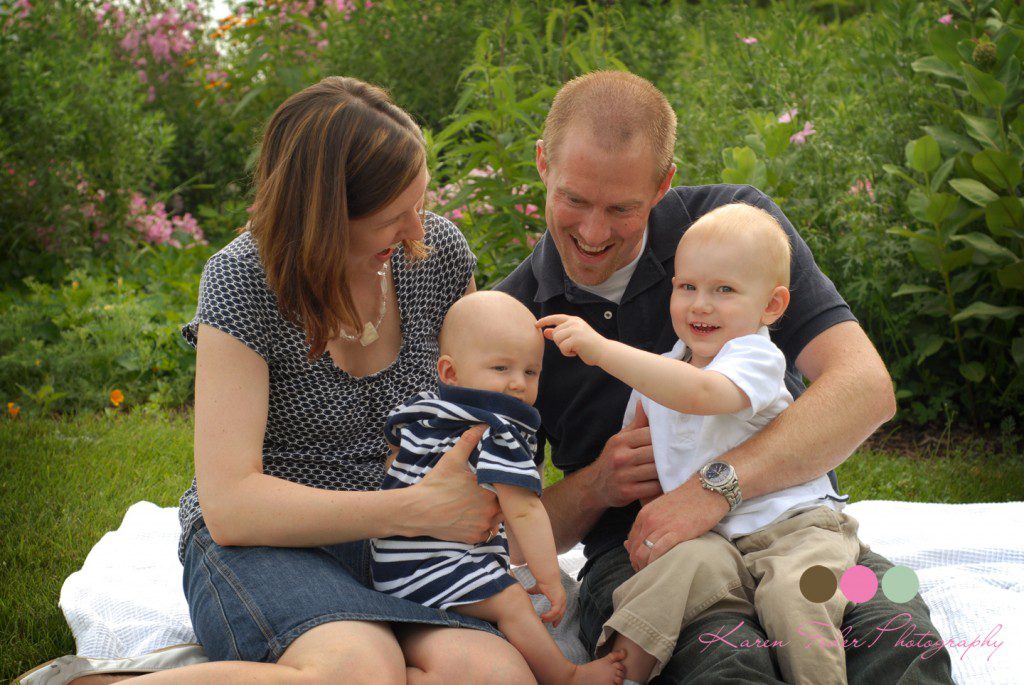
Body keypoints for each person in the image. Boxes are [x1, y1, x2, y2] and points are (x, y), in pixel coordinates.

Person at [496, 70, 955, 683]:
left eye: (621, 208)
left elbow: (865, 389)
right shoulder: (512, 318)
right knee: (726, 661)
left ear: (663, 184)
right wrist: (598, 484)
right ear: (542, 164)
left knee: (897, 641)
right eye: (574, 200)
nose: (594, 232)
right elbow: (496, 533)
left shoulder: (735, 229)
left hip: (794, 529)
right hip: (650, 556)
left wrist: (714, 489)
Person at [113, 76, 537, 684]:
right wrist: (411, 507)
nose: (417, 229)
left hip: (415, 551)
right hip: (273, 546)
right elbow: (231, 506)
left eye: (419, 203)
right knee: (360, 672)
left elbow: (483, 409)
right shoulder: (243, 282)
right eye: (393, 217)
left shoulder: (437, 256)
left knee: (497, 679)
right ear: (325, 217)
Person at [539, 203, 867, 685]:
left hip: (794, 528)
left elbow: (702, 394)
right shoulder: (664, 371)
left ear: (771, 306)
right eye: (687, 287)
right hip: (715, 539)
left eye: (724, 290)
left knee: (793, 598)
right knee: (660, 586)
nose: (700, 305)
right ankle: (620, 673)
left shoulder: (754, 356)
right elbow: (653, 464)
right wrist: (655, 532)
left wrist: (601, 350)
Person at [370, 290, 626, 685]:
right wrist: (548, 579)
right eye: (501, 368)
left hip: (390, 563)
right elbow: (524, 509)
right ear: (449, 371)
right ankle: (566, 675)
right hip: (434, 566)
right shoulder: (498, 431)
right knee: (513, 601)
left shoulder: (425, 410)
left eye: (531, 372)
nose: (517, 384)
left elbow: (393, 455)